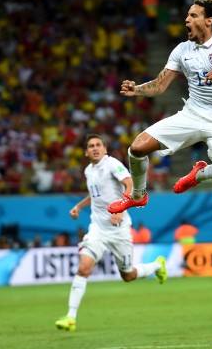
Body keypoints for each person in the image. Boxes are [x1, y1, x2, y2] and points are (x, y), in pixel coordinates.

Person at [107, 0, 212, 214]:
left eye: (193, 15)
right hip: (191, 115)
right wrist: (137, 89)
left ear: (208, 21)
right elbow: (160, 86)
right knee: (137, 148)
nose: (186, 19)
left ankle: (198, 174)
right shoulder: (182, 50)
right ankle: (138, 195)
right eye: (187, 15)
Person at [55, 134, 167, 332]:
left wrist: (121, 210)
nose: (95, 148)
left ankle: (158, 265)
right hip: (97, 228)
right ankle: (70, 317)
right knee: (83, 268)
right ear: (86, 152)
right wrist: (79, 206)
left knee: (128, 275)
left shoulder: (112, 164)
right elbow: (96, 194)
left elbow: (130, 184)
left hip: (119, 228)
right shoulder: (88, 171)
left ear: (105, 149)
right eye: (91, 146)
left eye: (99, 145)